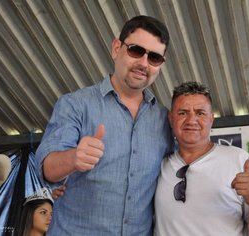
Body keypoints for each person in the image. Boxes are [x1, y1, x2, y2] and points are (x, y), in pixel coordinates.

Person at [35, 15, 174, 235]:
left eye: (155, 57)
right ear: (116, 48)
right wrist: (73, 158)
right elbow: (46, 169)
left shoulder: (165, 119)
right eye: (136, 50)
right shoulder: (75, 104)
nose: (144, 64)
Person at [153, 82, 249, 236]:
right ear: (171, 119)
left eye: (200, 113)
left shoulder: (238, 159)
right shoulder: (159, 165)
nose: (191, 120)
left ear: (211, 118)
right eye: (182, 113)